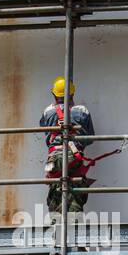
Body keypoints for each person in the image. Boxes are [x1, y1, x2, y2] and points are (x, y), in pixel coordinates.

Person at [40, 76, 95, 215]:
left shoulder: (47, 112)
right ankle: (74, 221)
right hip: (75, 157)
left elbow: (47, 136)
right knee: (75, 191)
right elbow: (90, 139)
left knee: (56, 189)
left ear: (54, 94)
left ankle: (56, 222)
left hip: (53, 160)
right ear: (72, 93)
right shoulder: (83, 111)